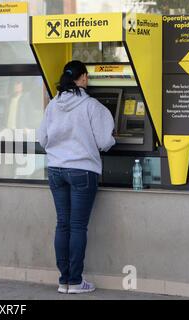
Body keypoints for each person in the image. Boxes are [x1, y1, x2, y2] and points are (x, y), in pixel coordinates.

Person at [37, 60, 115, 294]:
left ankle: (64, 281)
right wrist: (113, 138)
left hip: (56, 170)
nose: (88, 80)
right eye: (87, 76)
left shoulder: (53, 105)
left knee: (63, 224)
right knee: (78, 226)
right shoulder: (92, 106)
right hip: (82, 170)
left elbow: (42, 139)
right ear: (81, 78)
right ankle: (76, 281)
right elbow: (104, 141)